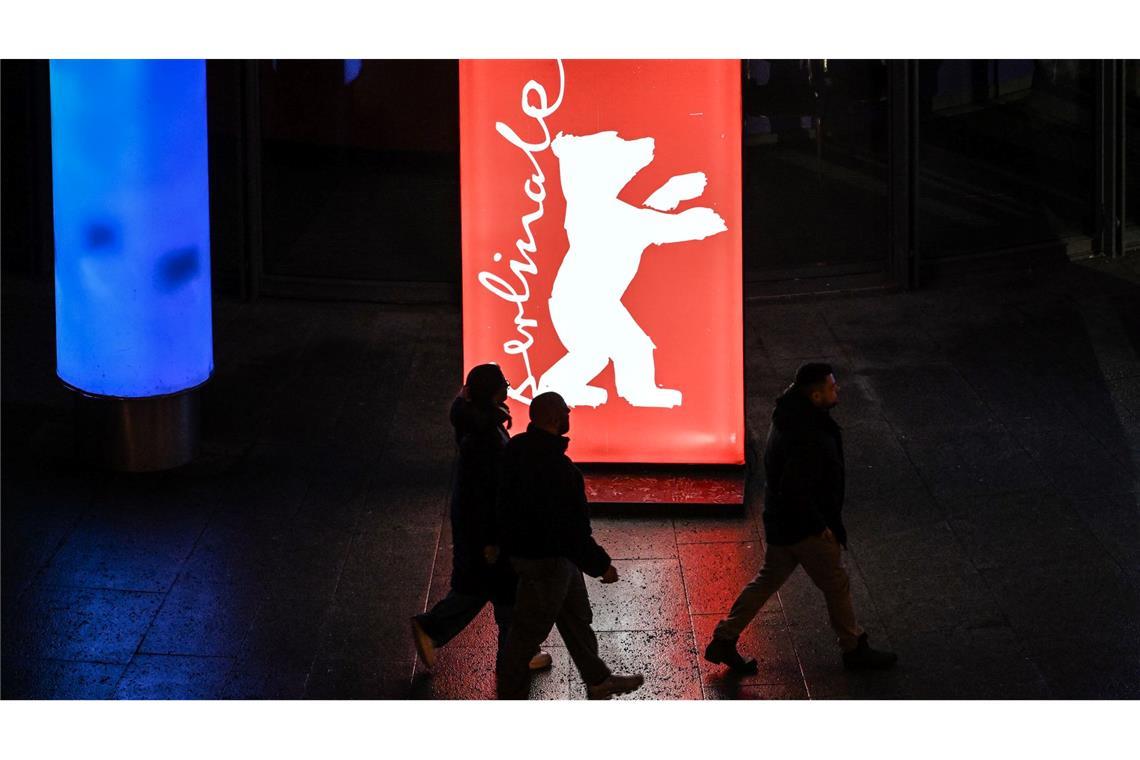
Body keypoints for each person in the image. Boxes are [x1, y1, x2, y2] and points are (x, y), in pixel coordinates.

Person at [704, 363, 897, 672]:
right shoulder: (808, 435)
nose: (838, 390)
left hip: (782, 523)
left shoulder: (788, 415)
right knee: (837, 584)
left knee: (766, 581)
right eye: (833, 387)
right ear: (816, 394)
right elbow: (797, 488)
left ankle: (725, 638)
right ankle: (853, 648)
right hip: (805, 529)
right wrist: (820, 526)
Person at [494, 391, 645, 699]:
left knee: (576, 617)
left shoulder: (516, 449)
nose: (569, 416)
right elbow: (572, 531)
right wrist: (602, 565)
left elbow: (501, 501)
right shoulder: (561, 471)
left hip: (539, 556)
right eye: (565, 412)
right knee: (527, 632)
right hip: (548, 561)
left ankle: (598, 678)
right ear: (553, 419)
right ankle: (507, 692)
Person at [411, 364, 551, 674]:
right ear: (492, 393)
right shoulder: (487, 439)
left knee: (482, 589)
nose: (508, 387)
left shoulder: (473, 421)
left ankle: (436, 629)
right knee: (500, 590)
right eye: (504, 383)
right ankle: (513, 653)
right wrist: (493, 539)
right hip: (487, 531)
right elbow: (489, 493)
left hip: (476, 527)